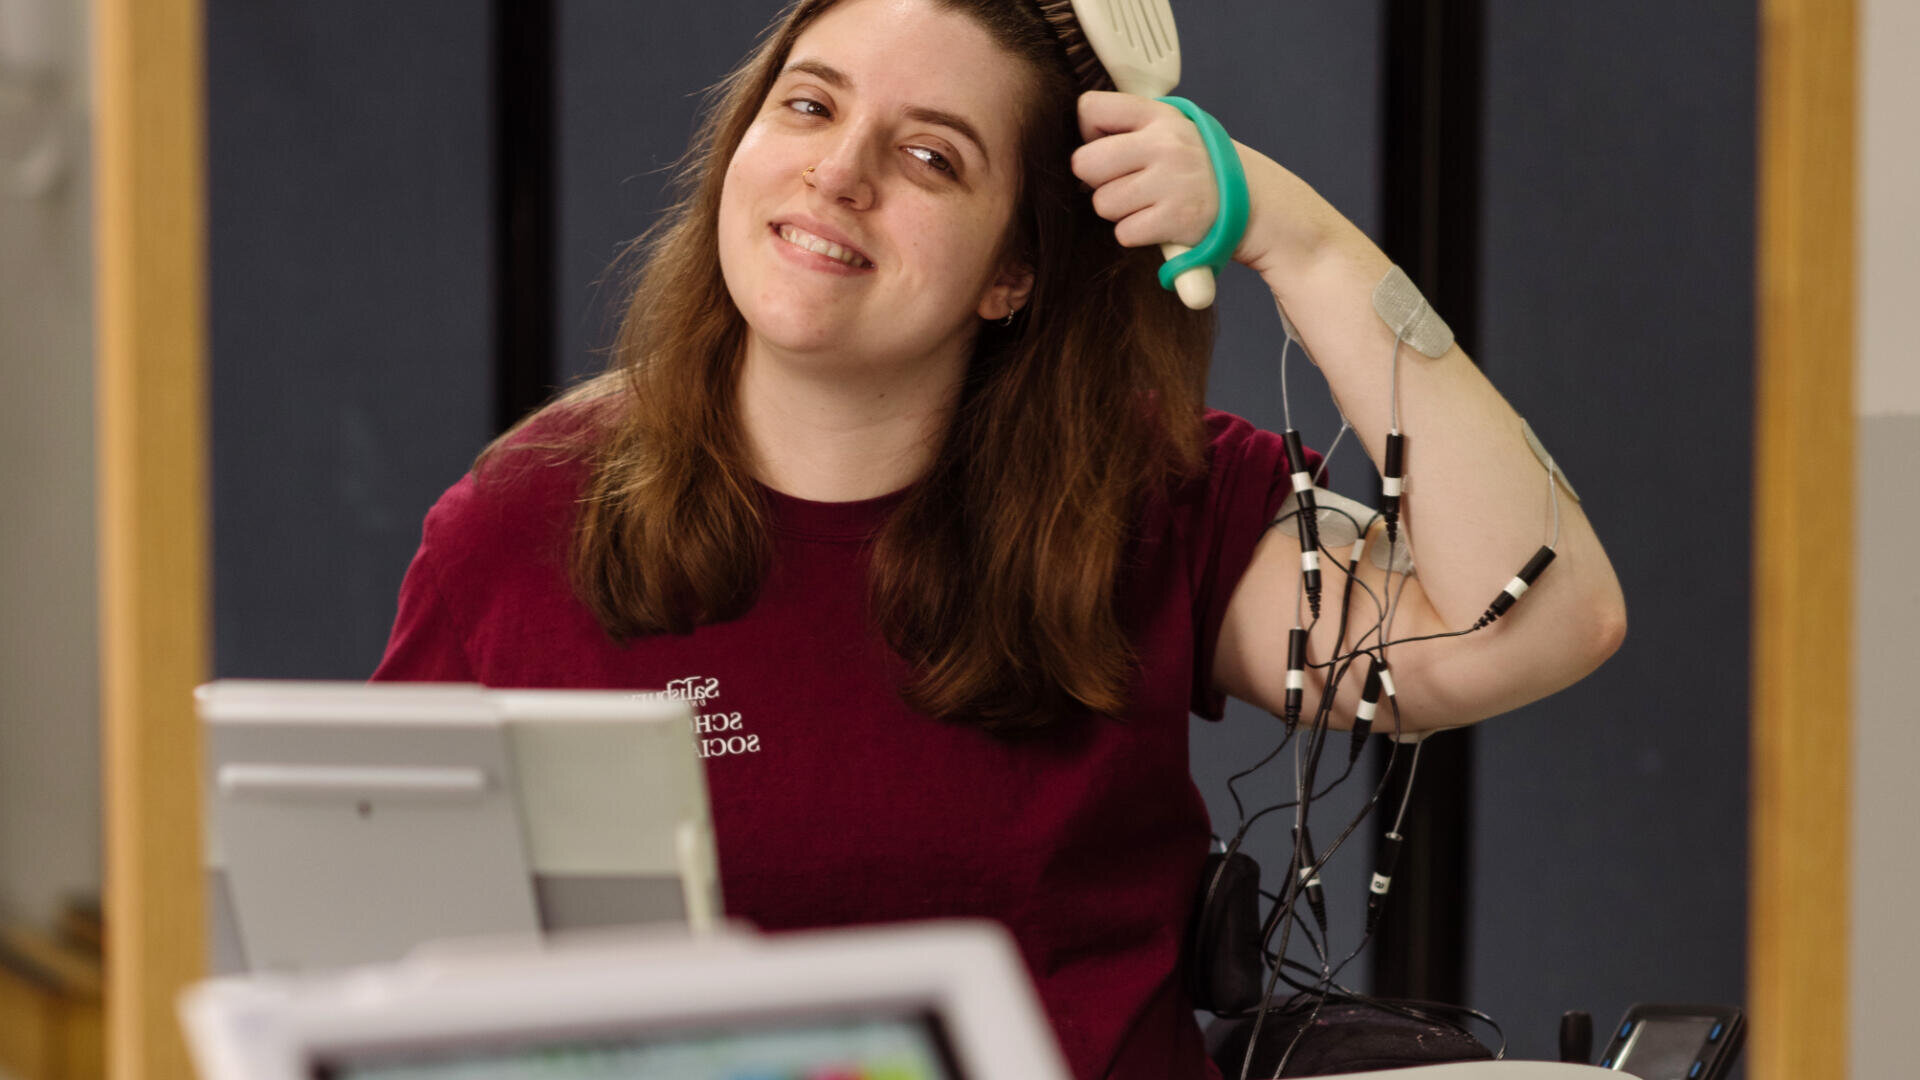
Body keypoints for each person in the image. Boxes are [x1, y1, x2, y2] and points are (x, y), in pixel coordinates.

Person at [373, 0, 1627, 1076]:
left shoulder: (1136, 500)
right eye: (810, 108)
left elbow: (1538, 616)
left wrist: (1293, 235)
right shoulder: (520, 522)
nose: (839, 173)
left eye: (930, 157)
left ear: (1013, 272)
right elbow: (376, 969)